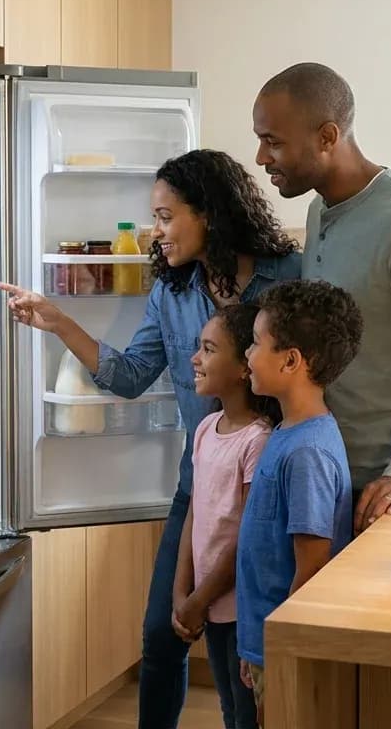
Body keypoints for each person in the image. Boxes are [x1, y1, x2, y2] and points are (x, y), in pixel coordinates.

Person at [0, 149, 301, 728]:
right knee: (163, 635)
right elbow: (131, 376)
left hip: (269, 485)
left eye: (165, 216)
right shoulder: (172, 291)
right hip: (200, 486)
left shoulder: (283, 273)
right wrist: (58, 320)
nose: (154, 233)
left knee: (251, 647)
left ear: (207, 213)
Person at [252, 62, 391, 534]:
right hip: (322, 477)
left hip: (379, 497)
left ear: (327, 137)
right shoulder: (319, 210)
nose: (260, 157)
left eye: (273, 142)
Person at [235, 279, 362, 723]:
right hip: (265, 642)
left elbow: (310, 570)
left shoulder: (308, 452)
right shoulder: (288, 433)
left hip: (283, 647)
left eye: (255, 344)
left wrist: (279, 651)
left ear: (291, 361)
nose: (247, 356)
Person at [171, 304, 274, 729]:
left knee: (247, 714)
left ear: (243, 368)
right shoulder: (204, 429)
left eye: (209, 349)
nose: (195, 359)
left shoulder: (258, 440)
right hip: (207, 605)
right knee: (229, 710)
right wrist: (182, 593)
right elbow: (195, 514)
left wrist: (199, 598)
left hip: (238, 608)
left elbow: (248, 537)